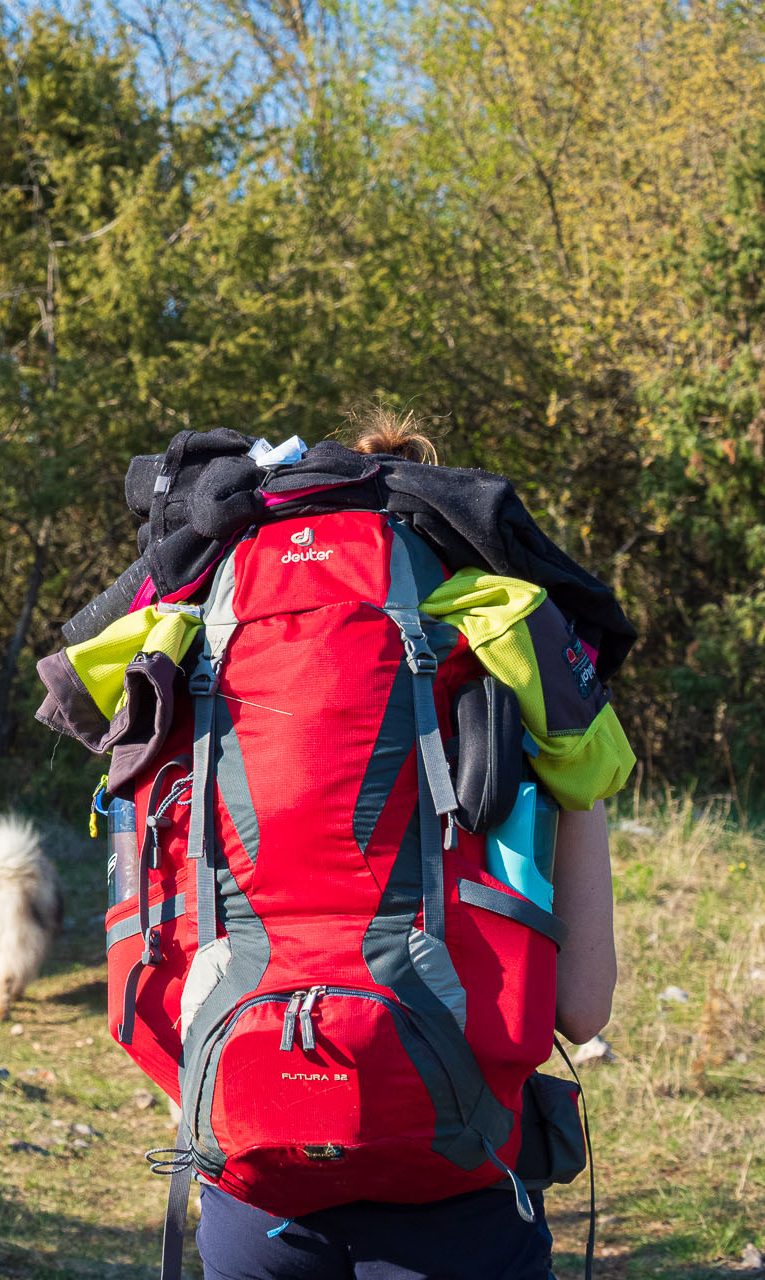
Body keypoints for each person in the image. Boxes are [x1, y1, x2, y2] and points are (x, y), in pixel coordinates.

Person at [191, 414, 623, 1280]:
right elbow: (579, 1009)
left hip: (253, 1187)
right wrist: (579, 794)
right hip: (455, 1194)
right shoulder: (505, 667)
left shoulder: (208, 646)